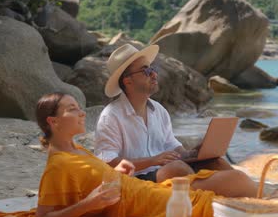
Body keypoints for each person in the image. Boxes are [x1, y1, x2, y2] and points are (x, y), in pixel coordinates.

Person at [34, 92, 278, 217]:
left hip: (151, 191)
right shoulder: (58, 164)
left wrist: (120, 173)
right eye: (73, 110)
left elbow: (102, 176)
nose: (81, 114)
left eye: (79, 108)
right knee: (239, 209)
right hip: (154, 204)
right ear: (53, 121)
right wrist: (90, 204)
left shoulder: (76, 149)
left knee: (233, 179)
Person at [94, 43, 233, 183]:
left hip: (161, 171)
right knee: (177, 169)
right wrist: (152, 161)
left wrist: (191, 153)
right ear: (128, 81)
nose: (154, 74)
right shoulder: (110, 116)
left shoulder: (159, 110)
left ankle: (248, 198)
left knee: (217, 163)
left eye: (152, 69)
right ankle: (205, 196)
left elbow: (171, 144)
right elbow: (108, 161)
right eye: (146, 71)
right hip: (135, 180)